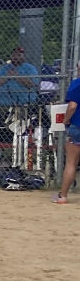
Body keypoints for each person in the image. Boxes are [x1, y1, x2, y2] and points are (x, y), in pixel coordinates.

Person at [57, 68, 80, 204]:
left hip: (77, 126)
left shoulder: (77, 83)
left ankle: (63, 196)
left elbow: (72, 106)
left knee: (71, 162)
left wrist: (66, 120)